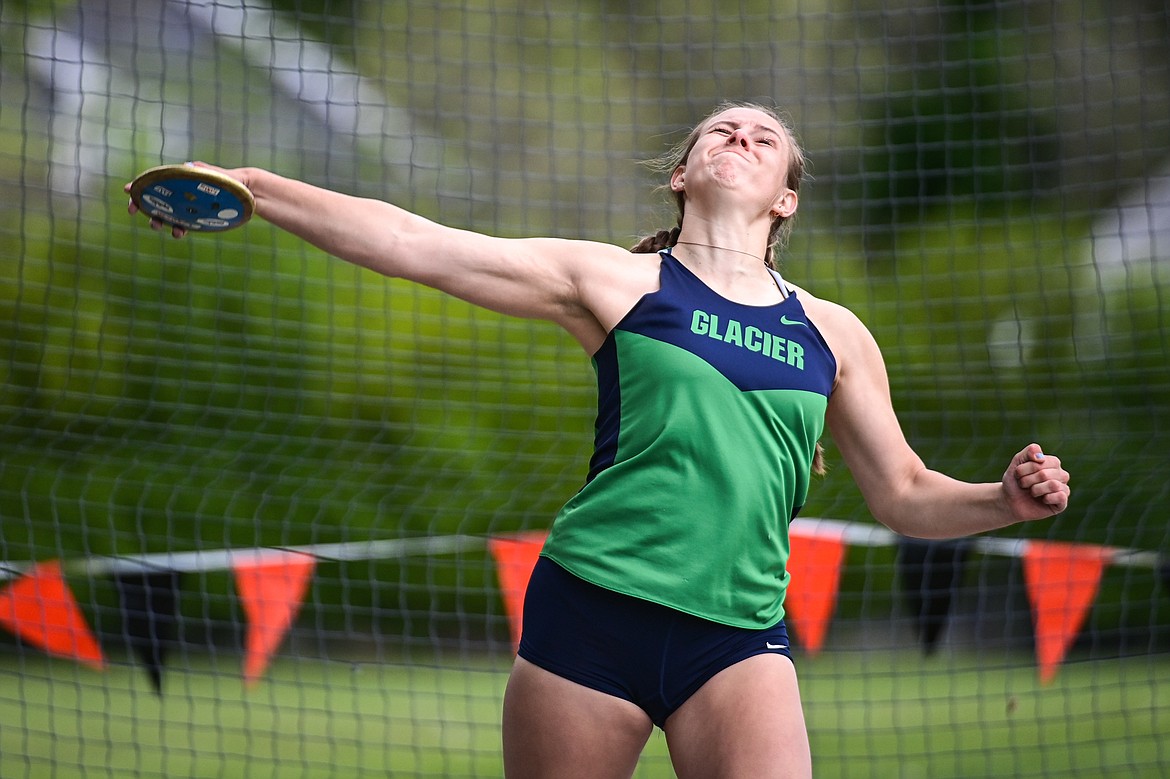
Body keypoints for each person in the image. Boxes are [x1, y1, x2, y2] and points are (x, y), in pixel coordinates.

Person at [127, 101, 1071, 778]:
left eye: (765, 136)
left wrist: (1001, 501)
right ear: (682, 171)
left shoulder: (833, 332)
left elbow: (903, 491)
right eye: (720, 129)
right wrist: (256, 189)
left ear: (786, 198)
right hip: (591, 614)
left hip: (738, 639)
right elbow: (419, 242)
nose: (739, 137)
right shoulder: (617, 282)